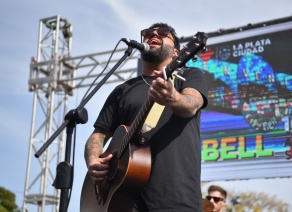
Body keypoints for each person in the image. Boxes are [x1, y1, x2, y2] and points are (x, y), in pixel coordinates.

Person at [84, 22, 208, 211]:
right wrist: (93, 161)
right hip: (125, 201)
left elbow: (192, 105)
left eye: (163, 33)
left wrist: (173, 98)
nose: (153, 34)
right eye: (148, 33)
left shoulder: (189, 76)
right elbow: (98, 135)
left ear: (177, 52)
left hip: (177, 199)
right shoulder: (123, 90)